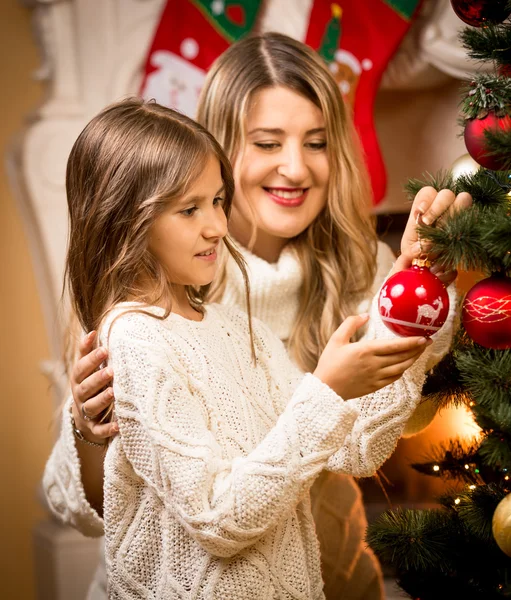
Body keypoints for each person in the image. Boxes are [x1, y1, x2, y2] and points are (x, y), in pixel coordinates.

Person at [44, 34, 470, 600]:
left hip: (322, 577)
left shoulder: (361, 267)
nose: (294, 168)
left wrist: (418, 287)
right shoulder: (147, 304)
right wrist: (88, 429)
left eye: (316, 143)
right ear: (215, 151)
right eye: (268, 142)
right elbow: (95, 504)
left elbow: (360, 440)